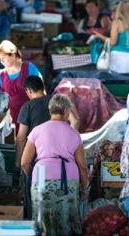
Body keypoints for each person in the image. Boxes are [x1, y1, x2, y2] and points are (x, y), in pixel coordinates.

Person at [21, 93, 88, 236]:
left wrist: (31, 175)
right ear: (65, 111)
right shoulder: (74, 134)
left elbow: (25, 162)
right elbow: (82, 166)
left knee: (42, 217)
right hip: (68, 181)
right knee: (66, 218)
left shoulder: (37, 131)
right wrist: (83, 188)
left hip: (41, 177)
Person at [15, 76, 81, 219]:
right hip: (67, 166)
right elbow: (76, 121)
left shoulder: (28, 107)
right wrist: (71, 135)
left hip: (38, 165)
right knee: (64, 211)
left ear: (29, 90)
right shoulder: (56, 102)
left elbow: (21, 138)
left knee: (38, 209)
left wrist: (18, 164)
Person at [0, 40, 42, 134]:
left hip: (33, 117)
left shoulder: (29, 68)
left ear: (12, 55)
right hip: (12, 120)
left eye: (3, 58)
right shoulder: (1, 75)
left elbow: (41, 91)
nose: (1, 61)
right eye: (0, 58)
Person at [94, 0, 129, 74]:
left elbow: (112, 42)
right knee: (128, 82)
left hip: (117, 57)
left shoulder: (117, 23)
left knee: (116, 81)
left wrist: (100, 36)